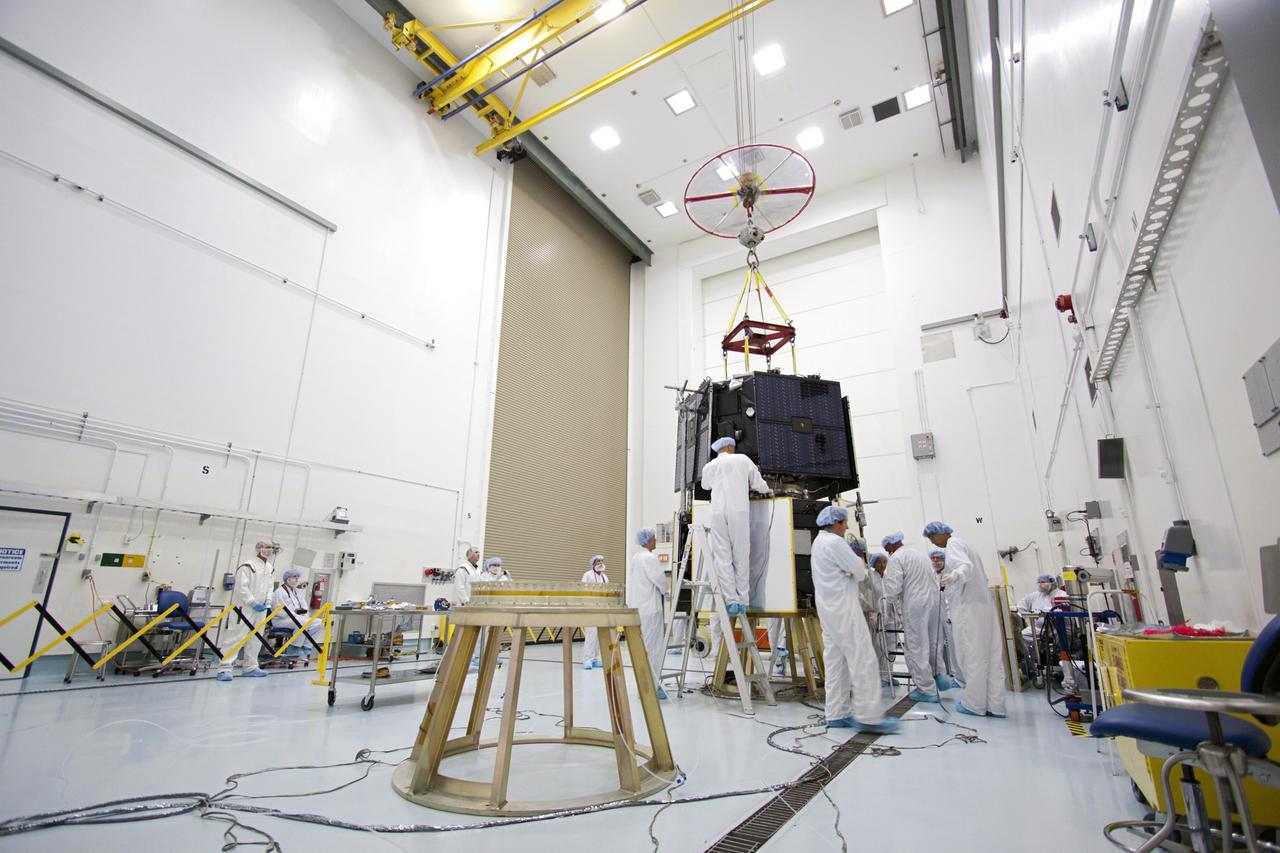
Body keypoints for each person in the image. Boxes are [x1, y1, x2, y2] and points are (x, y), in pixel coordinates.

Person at [811, 505, 899, 734]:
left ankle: (836, 713)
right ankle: (870, 717)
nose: (847, 526)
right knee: (863, 659)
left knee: (836, 662)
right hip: (845, 609)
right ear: (835, 523)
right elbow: (860, 573)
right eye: (845, 522)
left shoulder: (818, 543)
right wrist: (855, 566)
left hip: (828, 611)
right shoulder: (835, 543)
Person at [924, 522, 1007, 717]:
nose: (933, 543)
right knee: (991, 657)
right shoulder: (966, 544)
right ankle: (995, 704)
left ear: (941, 533)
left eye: (932, 538)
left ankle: (975, 704)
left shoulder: (953, 544)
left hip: (968, 607)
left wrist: (954, 576)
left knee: (971, 655)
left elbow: (965, 567)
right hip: (984, 606)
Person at [700, 436, 771, 615]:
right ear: (730, 447)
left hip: (717, 513)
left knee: (723, 557)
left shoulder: (709, 466)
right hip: (738, 511)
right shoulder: (742, 459)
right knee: (741, 555)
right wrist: (768, 490)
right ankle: (743, 600)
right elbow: (758, 483)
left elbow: (705, 486)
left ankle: (731, 601)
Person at [881, 532, 952, 701]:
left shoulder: (897, 558)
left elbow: (893, 587)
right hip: (933, 602)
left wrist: (889, 604)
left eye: (887, 549)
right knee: (933, 642)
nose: (887, 552)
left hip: (915, 605)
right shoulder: (919, 554)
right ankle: (939, 676)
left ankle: (926, 689)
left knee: (916, 646)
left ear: (892, 545)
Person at [217, 540, 277, 682]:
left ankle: (250, 667)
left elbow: (270, 586)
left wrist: (268, 601)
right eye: (266, 547)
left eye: (271, 548)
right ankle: (225, 668)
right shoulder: (248, 566)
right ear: (259, 548)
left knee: (256, 638)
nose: (269, 550)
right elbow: (241, 588)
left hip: (261, 609)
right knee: (235, 637)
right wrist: (252, 602)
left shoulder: (269, 568)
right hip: (244, 608)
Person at [630, 529, 670, 699]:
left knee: (643, 647)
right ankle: (651, 687)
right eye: (654, 538)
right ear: (647, 540)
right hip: (651, 609)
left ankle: (643, 685)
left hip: (639, 608)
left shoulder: (636, 558)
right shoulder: (649, 558)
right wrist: (667, 591)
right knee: (653, 649)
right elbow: (660, 580)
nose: (656, 540)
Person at [931, 548, 964, 686]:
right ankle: (941, 675)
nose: (936, 561)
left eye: (939, 558)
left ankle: (960, 677)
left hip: (950, 614)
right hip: (936, 614)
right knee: (936, 645)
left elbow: (953, 595)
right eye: (933, 559)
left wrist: (950, 614)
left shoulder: (951, 574)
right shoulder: (931, 575)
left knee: (955, 645)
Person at [272, 567, 319, 659]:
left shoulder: (296, 592)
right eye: (294, 576)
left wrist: (303, 616)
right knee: (302, 622)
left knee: (319, 623)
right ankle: (294, 647)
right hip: (281, 620)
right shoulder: (279, 592)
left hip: (296, 618)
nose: (297, 579)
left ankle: (306, 647)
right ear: (287, 578)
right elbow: (280, 611)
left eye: (298, 577)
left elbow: (304, 607)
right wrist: (298, 616)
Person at [1017, 574, 1063, 665]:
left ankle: (1057, 659)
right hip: (1037, 628)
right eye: (1039, 582)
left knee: (1061, 643)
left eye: (1043, 582)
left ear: (1052, 582)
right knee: (1021, 637)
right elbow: (1021, 606)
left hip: (1056, 628)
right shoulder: (1035, 595)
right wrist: (1025, 613)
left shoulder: (1061, 594)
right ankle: (1032, 661)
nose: (1040, 584)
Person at [580, 555, 609, 669]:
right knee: (591, 635)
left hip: (602, 609)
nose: (600, 563)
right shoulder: (587, 575)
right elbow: (583, 590)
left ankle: (595, 658)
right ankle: (587, 659)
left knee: (598, 635)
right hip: (591, 608)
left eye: (601, 561)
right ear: (593, 563)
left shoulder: (604, 577)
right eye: (598, 561)